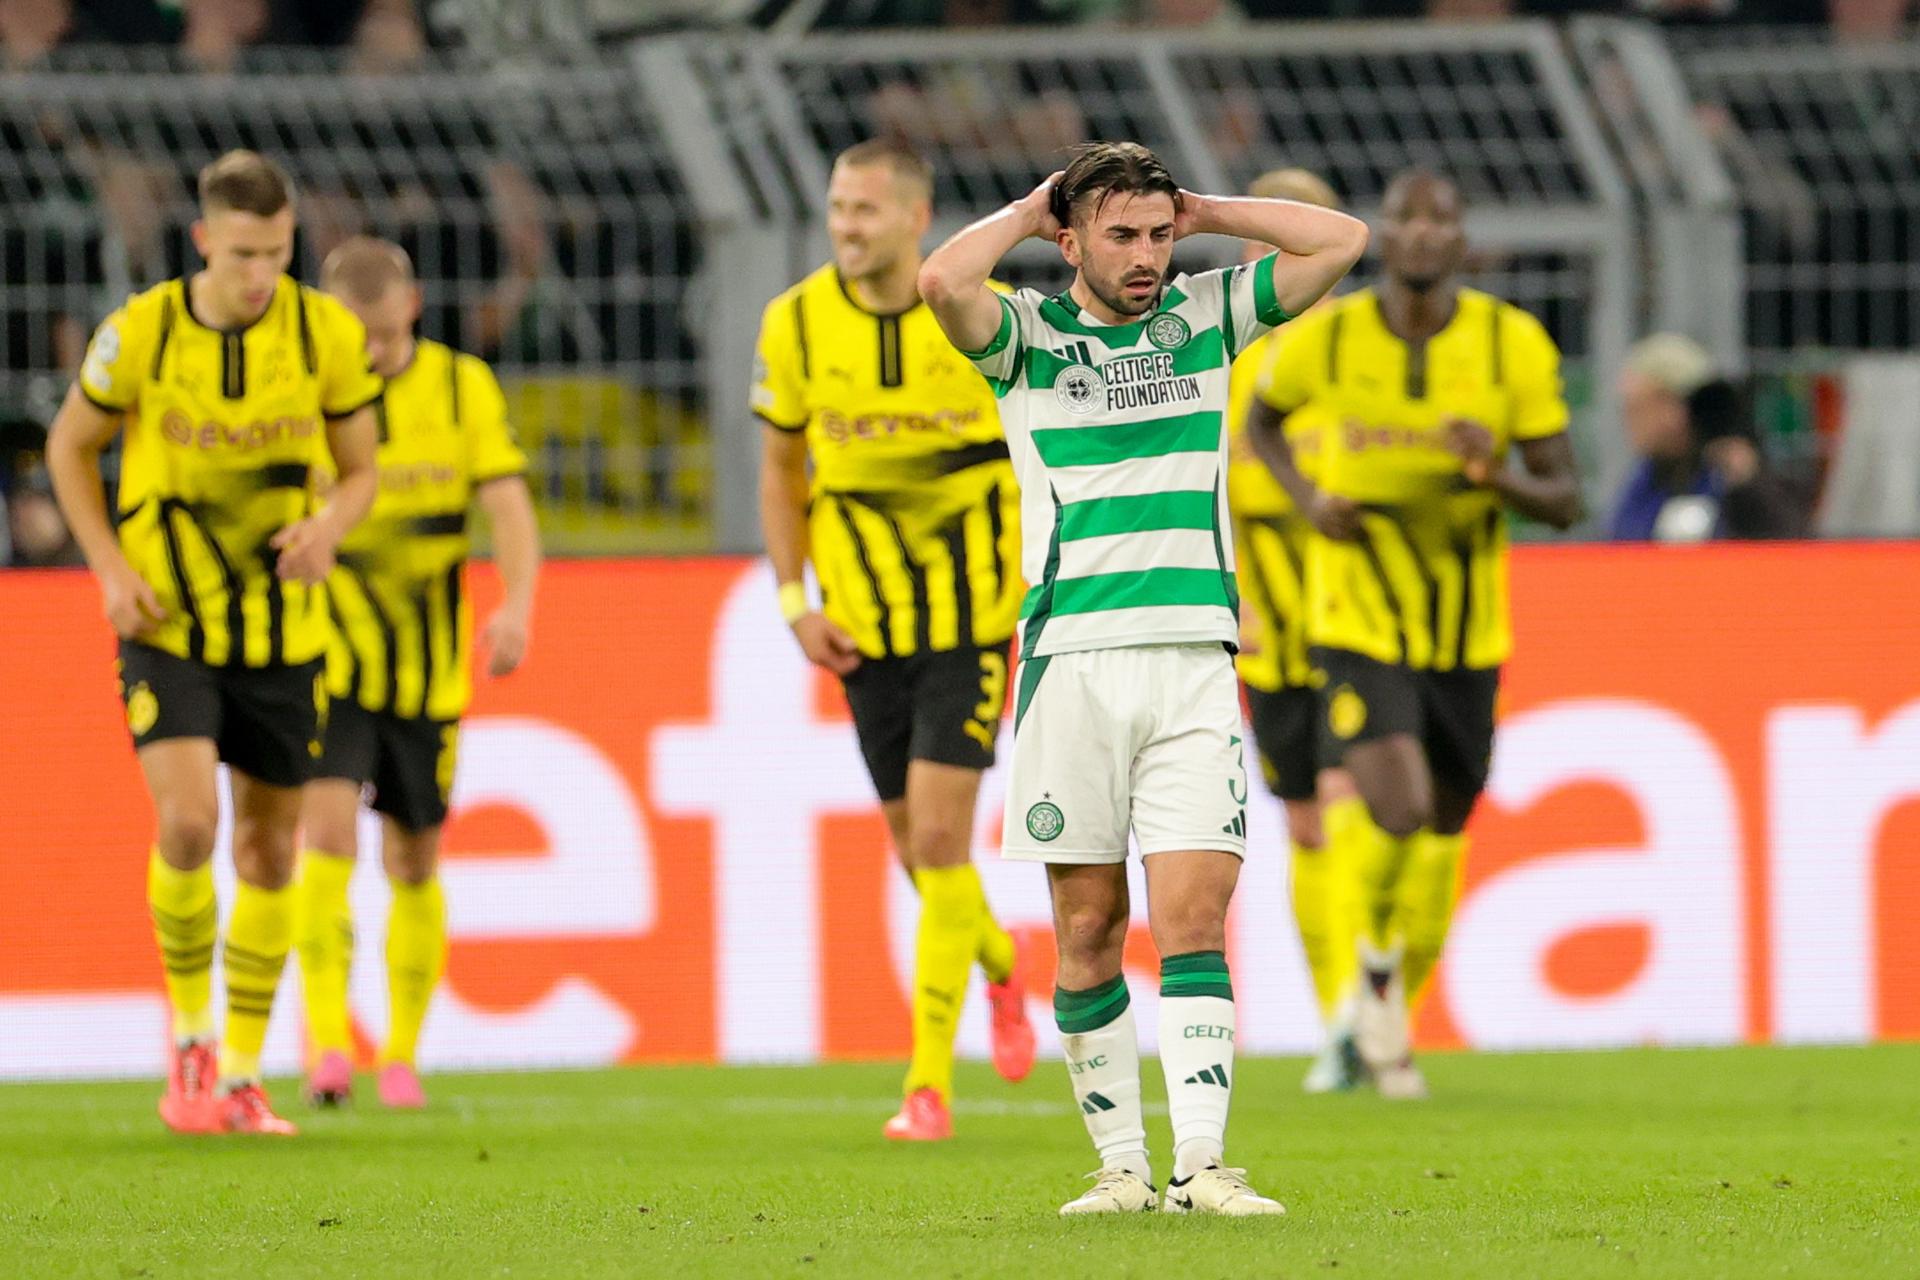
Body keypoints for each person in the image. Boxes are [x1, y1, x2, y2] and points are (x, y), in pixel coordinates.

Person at [919, 140, 1367, 1215]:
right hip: (1070, 661)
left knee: (1194, 919)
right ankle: (1120, 1167)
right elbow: (939, 280)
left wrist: (1208, 208)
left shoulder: (1208, 314)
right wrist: (1030, 210)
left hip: (1193, 662)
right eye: (1121, 236)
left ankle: (1202, 1165)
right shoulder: (1024, 338)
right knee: (1084, 927)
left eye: (1160, 236)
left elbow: (1344, 240)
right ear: (1070, 239)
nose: (1147, 257)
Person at [45, 150, 383, 1135]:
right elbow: (71, 445)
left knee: (269, 844)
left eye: (276, 254)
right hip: (170, 621)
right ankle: (189, 1042)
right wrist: (108, 567)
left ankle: (240, 1069)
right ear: (202, 240)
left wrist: (330, 527)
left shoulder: (325, 334)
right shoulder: (140, 332)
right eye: (241, 254)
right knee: (190, 823)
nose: (258, 275)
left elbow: (360, 470)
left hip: (286, 633)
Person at [1251, 170, 1581, 1100]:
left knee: (1442, 821)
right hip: (1350, 614)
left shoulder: (1510, 344)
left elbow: (1565, 498)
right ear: (1381, 234)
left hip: (1466, 628)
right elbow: (1262, 428)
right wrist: (1312, 498)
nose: (1425, 233)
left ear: (1463, 237)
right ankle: (1353, 1011)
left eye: (1443, 217)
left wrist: (1493, 476)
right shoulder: (1329, 338)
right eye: (1407, 217)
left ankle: (1380, 993)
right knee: (1382, 806)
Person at [752, 139, 1037, 1144]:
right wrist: (794, 598)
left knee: (935, 841)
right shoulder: (792, 323)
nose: (846, 224)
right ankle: (1002, 968)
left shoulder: (970, 312)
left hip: (970, 621)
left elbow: (1038, 446)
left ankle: (926, 1084)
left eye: (866, 209)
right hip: (864, 628)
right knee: (921, 856)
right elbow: (782, 473)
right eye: (837, 205)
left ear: (917, 219)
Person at [294, 236, 542, 1110]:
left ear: (414, 307)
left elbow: (508, 503)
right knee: (323, 835)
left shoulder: (460, 385)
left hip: (429, 674)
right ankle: (327, 1045)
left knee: (414, 856)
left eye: (379, 333)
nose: (366, 351)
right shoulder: (302, 387)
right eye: (350, 335)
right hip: (328, 656)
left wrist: (516, 606)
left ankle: (399, 1052)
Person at [1228, 168, 1366, 1095]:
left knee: (1354, 802)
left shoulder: (1356, 352)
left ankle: (1365, 1010)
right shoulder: (1221, 357)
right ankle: (1340, 1025)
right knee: (1310, 821)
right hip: (1266, 625)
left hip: (1357, 617)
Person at [1609, 332, 1803, 542]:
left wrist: (1745, 482)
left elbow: (1790, 544)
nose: (1628, 422)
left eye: (1636, 408)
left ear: (1674, 408)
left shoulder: (1735, 478)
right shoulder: (1648, 477)